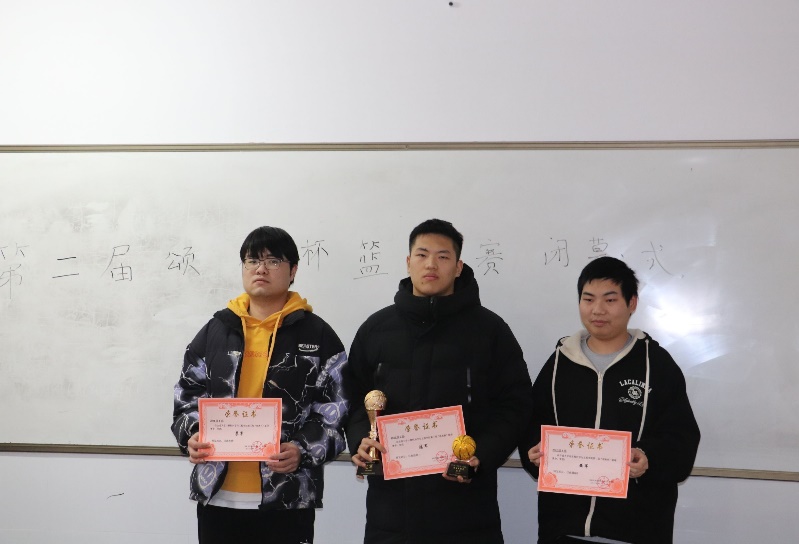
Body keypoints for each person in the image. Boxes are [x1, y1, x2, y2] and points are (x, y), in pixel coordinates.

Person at [344, 218, 534, 544]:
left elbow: (515, 405)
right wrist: (362, 439)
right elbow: (352, 398)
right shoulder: (376, 330)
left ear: (458, 267)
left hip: (467, 512)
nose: (431, 264)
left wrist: (481, 454)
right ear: (408, 262)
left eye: (443, 256)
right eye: (422, 255)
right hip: (391, 516)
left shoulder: (490, 331)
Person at [171, 226, 349, 544]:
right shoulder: (215, 331)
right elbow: (187, 394)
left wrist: (301, 449)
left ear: (293, 271)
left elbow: (336, 410)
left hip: (288, 497)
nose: (261, 269)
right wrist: (192, 435)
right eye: (252, 261)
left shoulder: (317, 335)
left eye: (273, 261)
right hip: (217, 496)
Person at [521, 256, 700, 544]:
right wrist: (534, 452)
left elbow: (681, 438)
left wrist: (648, 457)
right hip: (564, 529)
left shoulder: (657, 365)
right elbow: (531, 424)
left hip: (636, 530)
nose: (598, 310)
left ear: (632, 303)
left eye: (610, 300)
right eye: (588, 299)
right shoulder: (558, 364)